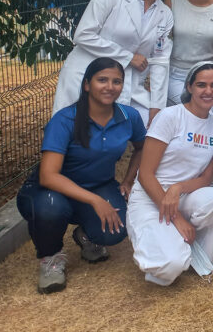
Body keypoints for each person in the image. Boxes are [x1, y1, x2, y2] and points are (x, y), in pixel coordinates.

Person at [18, 58, 146, 294]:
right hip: (49, 191)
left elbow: (142, 147)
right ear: (87, 85)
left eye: (117, 81)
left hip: (98, 184)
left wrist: (128, 181)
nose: (110, 86)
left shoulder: (129, 117)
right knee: (50, 208)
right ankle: (51, 258)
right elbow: (48, 176)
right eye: (102, 80)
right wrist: (96, 201)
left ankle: (86, 236)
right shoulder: (65, 120)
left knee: (117, 229)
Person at [127, 62, 213, 285]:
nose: (208, 91)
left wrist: (177, 188)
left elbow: (206, 178)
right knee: (170, 268)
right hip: (151, 197)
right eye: (201, 85)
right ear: (189, 87)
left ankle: (195, 251)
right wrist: (176, 219)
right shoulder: (170, 116)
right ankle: (175, 244)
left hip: (183, 196)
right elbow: (145, 174)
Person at [52, 0, 175, 125]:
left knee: (150, 129)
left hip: (127, 83)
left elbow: (160, 61)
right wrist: (128, 57)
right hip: (86, 73)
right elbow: (83, 35)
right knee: (74, 132)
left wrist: (157, 105)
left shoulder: (165, 14)